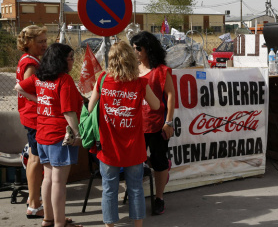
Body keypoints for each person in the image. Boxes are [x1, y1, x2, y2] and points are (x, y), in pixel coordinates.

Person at [88, 41, 160, 227]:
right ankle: (138, 226)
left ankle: (110, 225)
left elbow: (90, 107)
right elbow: (156, 106)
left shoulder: (102, 79)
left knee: (109, 189)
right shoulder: (140, 83)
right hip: (134, 147)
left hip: (108, 146)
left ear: (111, 60)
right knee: (135, 188)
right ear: (131, 59)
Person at [15, 43, 83, 227]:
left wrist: (41, 101)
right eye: (70, 58)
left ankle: (48, 219)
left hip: (42, 134)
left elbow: (19, 87)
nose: (73, 61)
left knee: (48, 179)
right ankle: (60, 223)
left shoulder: (39, 77)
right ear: (61, 60)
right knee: (59, 183)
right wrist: (78, 135)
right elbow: (68, 112)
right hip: (59, 136)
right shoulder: (64, 80)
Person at [130, 31, 175, 215]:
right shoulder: (132, 70)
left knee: (159, 162)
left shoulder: (162, 71)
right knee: (135, 163)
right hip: (135, 126)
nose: (135, 52)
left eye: (137, 49)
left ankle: (159, 198)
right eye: (133, 49)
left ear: (148, 49)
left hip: (157, 125)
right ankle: (135, 197)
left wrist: (169, 122)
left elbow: (170, 95)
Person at [16, 25, 47, 219]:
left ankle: (33, 199)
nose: (45, 45)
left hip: (30, 115)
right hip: (33, 116)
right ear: (29, 43)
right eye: (41, 42)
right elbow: (27, 90)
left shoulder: (30, 60)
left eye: (45, 41)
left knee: (34, 158)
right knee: (35, 159)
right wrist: (43, 100)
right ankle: (34, 204)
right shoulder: (31, 64)